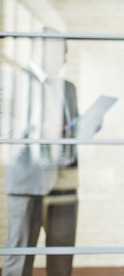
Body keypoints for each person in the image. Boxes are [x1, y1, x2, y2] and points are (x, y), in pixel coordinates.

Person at [3, 34, 79, 276]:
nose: (65, 58)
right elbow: (5, 124)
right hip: (27, 182)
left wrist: (89, 125)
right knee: (20, 255)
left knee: (62, 257)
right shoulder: (13, 79)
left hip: (65, 182)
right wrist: (40, 127)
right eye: (61, 52)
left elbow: (72, 129)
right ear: (43, 50)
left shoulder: (68, 88)